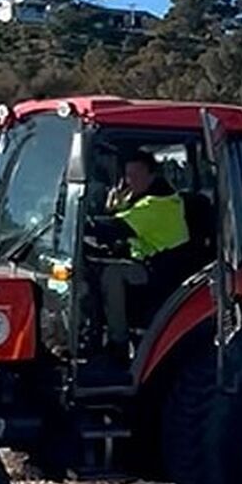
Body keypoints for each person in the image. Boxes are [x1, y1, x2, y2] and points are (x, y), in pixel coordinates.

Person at [87, 151, 189, 356]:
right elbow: (124, 219)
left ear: (152, 176)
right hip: (146, 261)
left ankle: (119, 343)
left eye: (135, 175)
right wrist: (114, 207)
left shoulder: (159, 204)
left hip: (162, 271)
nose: (129, 181)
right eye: (127, 175)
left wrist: (83, 222)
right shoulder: (145, 200)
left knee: (111, 274)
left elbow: (116, 227)